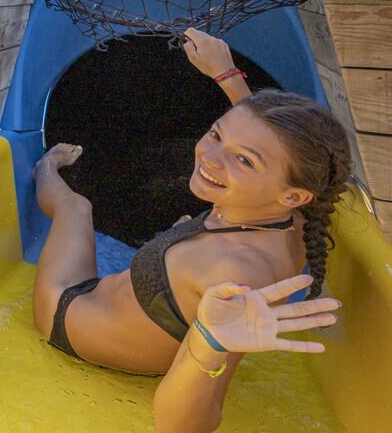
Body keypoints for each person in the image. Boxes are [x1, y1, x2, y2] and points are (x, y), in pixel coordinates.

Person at [32, 28, 351, 433]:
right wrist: (226, 75)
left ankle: (45, 167)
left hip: (68, 319)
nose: (208, 157)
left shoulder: (236, 277)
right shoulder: (299, 215)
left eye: (244, 162)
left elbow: (185, 426)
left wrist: (210, 341)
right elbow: (265, 133)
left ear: (292, 195)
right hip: (123, 308)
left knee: (75, 206)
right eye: (216, 133)